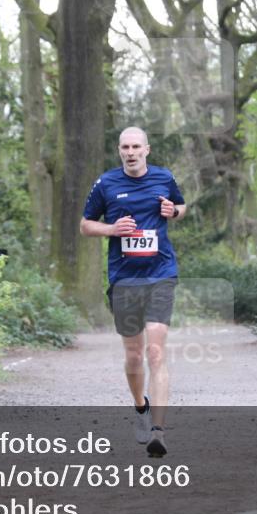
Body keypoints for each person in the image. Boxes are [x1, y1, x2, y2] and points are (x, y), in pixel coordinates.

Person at [80, 127, 186, 458]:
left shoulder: (164, 177)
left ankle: (158, 430)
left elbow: (181, 207)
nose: (131, 152)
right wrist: (111, 229)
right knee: (134, 354)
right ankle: (140, 406)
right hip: (125, 279)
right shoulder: (107, 183)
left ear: (147, 150)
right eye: (125, 147)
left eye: (136, 146)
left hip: (161, 275)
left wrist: (174, 212)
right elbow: (85, 225)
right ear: (119, 151)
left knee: (155, 352)